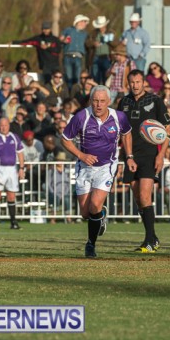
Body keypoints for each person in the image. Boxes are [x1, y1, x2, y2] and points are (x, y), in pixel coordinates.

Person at [61, 85, 137, 258]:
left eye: (102, 101)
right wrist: (81, 155)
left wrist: (129, 157)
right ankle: (101, 215)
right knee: (85, 213)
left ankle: (90, 244)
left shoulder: (119, 117)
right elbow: (65, 139)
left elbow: (127, 134)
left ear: (109, 101)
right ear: (90, 101)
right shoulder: (81, 117)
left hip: (106, 167)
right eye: (95, 101)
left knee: (95, 204)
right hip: (84, 168)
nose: (99, 105)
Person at [117, 69, 170, 253]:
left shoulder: (155, 101)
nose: (135, 85)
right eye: (132, 82)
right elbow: (120, 131)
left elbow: (167, 128)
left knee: (145, 195)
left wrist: (161, 155)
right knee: (138, 197)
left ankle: (149, 241)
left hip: (149, 154)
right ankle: (152, 238)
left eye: (138, 82)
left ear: (143, 82)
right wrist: (125, 156)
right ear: (128, 83)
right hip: (130, 155)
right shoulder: (123, 102)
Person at [0, 117, 25, 230]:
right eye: (1, 125)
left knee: (11, 196)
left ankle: (13, 223)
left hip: (12, 169)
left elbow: (20, 153)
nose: (3, 127)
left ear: (9, 126)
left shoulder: (14, 137)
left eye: (5, 125)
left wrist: (21, 168)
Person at [60, 14, 89, 88]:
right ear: (78, 22)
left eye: (85, 22)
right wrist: (64, 40)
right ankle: (69, 92)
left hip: (78, 57)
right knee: (68, 77)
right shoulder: (68, 30)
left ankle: (76, 91)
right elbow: (60, 39)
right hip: (68, 56)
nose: (85, 23)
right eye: (83, 21)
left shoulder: (85, 34)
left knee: (77, 77)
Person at [86, 16, 116, 85]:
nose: (100, 27)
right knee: (95, 77)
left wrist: (109, 40)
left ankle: (105, 90)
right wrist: (93, 43)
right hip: (95, 57)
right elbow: (87, 43)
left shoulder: (111, 33)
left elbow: (116, 44)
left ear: (105, 25)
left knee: (106, 77)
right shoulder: (93, 33)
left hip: (107, 57)